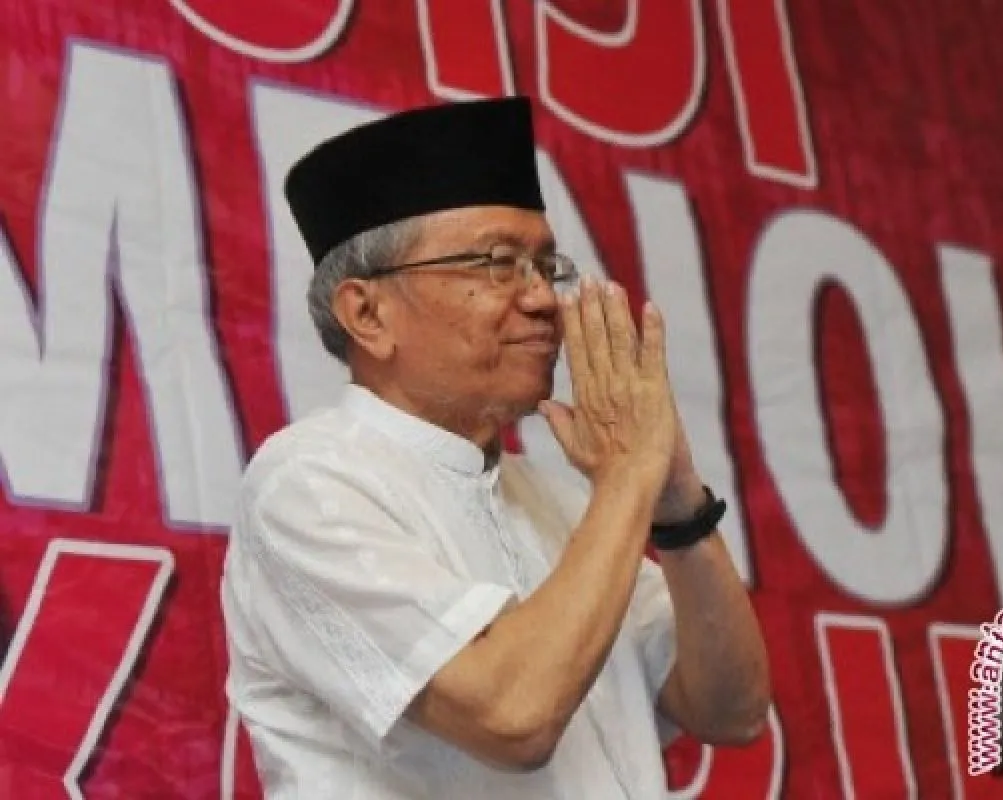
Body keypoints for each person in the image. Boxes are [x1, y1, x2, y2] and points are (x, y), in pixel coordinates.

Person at [221, 97, 770, 799]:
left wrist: (677, 506)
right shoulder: (311, 483)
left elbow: (732, 710)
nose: (543, 300)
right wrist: (628, 477)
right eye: (498, 264)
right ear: (368, 313)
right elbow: (513, 717)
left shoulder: (558, 497)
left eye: (545, 266)